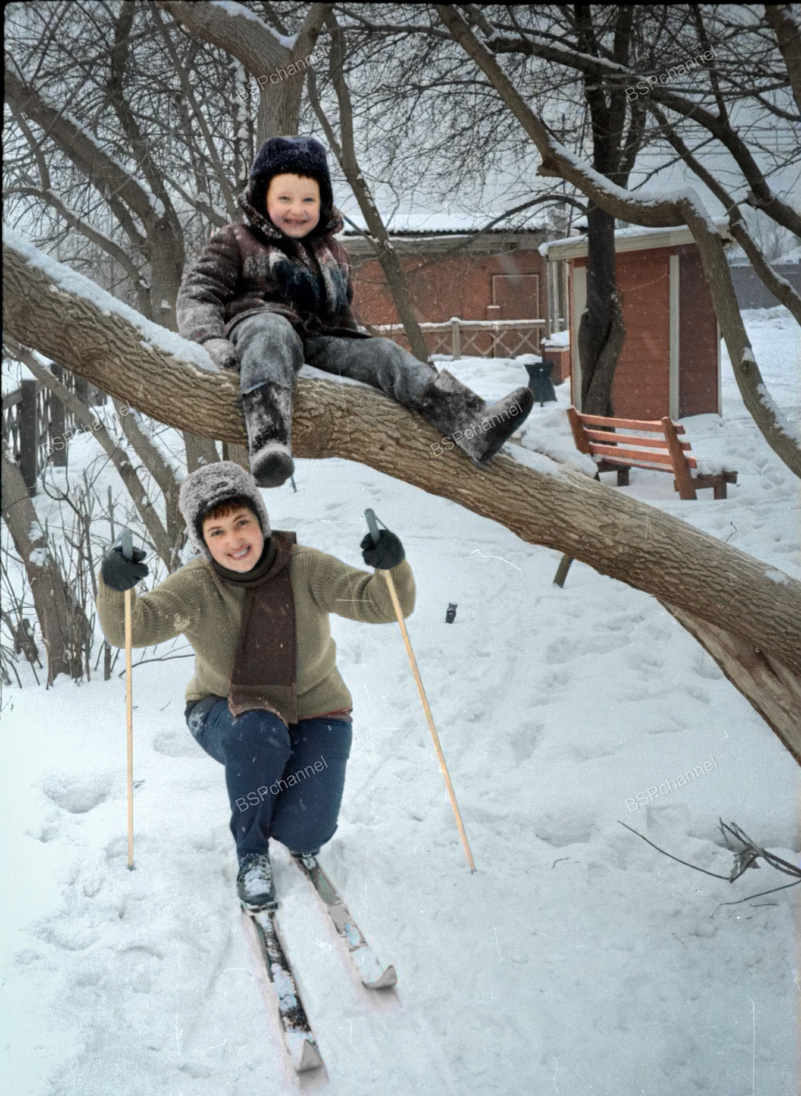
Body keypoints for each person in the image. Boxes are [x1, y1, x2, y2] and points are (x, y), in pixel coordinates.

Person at [96, 462, 414, 912]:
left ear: (261, 521)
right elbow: (131, 629)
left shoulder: (304, 568)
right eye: (216, 531)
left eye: (242, 522)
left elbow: (383, 605)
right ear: (203, 541)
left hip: (314, 710)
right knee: (259, 731)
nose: (233, 541)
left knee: (307, 834)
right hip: (223, 709)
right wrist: (114, 586)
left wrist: (391, 566)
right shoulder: (198, 586)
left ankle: (274, 785)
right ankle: (251, 855)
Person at [176, 135, 534, 488]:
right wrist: (210, 339)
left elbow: (343, 317)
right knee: (271, 329)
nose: (297, 209)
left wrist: (366, 352)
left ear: (323, 202)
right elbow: (198, 292)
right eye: (284, 198)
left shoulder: (333, 252)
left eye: (308, 199)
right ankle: (269, 442)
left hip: (319, 341)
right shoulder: (235, 239)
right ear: (261, 198)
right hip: (258, 332)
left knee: (384, 351)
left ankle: (473, 424)